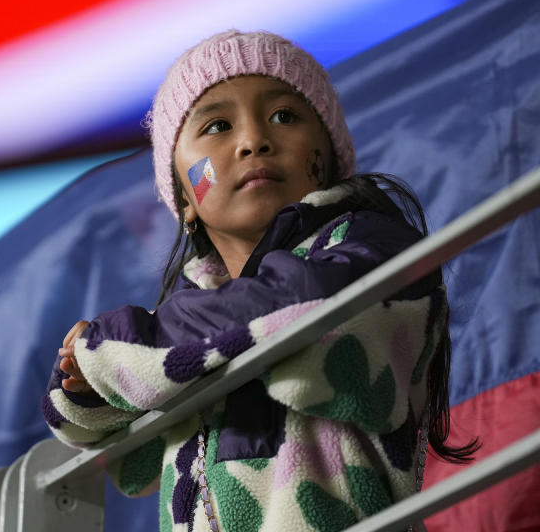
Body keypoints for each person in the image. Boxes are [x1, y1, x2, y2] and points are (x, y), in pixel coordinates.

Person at [41, 30, 478, 532]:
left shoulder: (372, 245)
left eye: (284, 116)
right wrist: (86, 381)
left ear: (331, 160)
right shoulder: (184, 323)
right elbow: (93, 432)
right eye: (218, 125)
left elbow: (288, 309)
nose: (253, 140)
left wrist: (113, 350)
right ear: (183, 198)